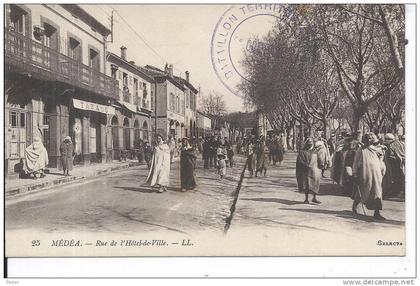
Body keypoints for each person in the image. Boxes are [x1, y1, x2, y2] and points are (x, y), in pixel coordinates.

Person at [351, 133, 387, 220]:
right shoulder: (361, 150)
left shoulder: (377, 149)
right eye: (367, 138)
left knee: (377, 192)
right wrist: (355, 174)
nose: (369, 140)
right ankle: (355, 206)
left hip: (377, 174)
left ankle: (377, 213)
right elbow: (355, 163)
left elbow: (381, 160)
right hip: (365, 174)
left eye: (370, 138)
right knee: (364, 190)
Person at [296, 138, 324, 204]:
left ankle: (314, 198)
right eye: (308, 142)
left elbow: (319, 159)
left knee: (315, 184)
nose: (310, 144)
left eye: (311, 142)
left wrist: (321, 165)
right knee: (307, 184)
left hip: (315, 170)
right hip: (306, 170)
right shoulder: (302, 151)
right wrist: (306, 165)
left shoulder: (315, 151)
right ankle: (306, 199)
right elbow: (300, 161)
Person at [383, 133, 405, 198]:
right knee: (395, 178)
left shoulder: (395, 145)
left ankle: (397, 192)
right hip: (393, 165)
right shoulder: (389, 145)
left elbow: (399, 155)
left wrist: (392, 157)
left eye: (386, 139)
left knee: (398, 178)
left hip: (397, 164)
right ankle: (395, 191)